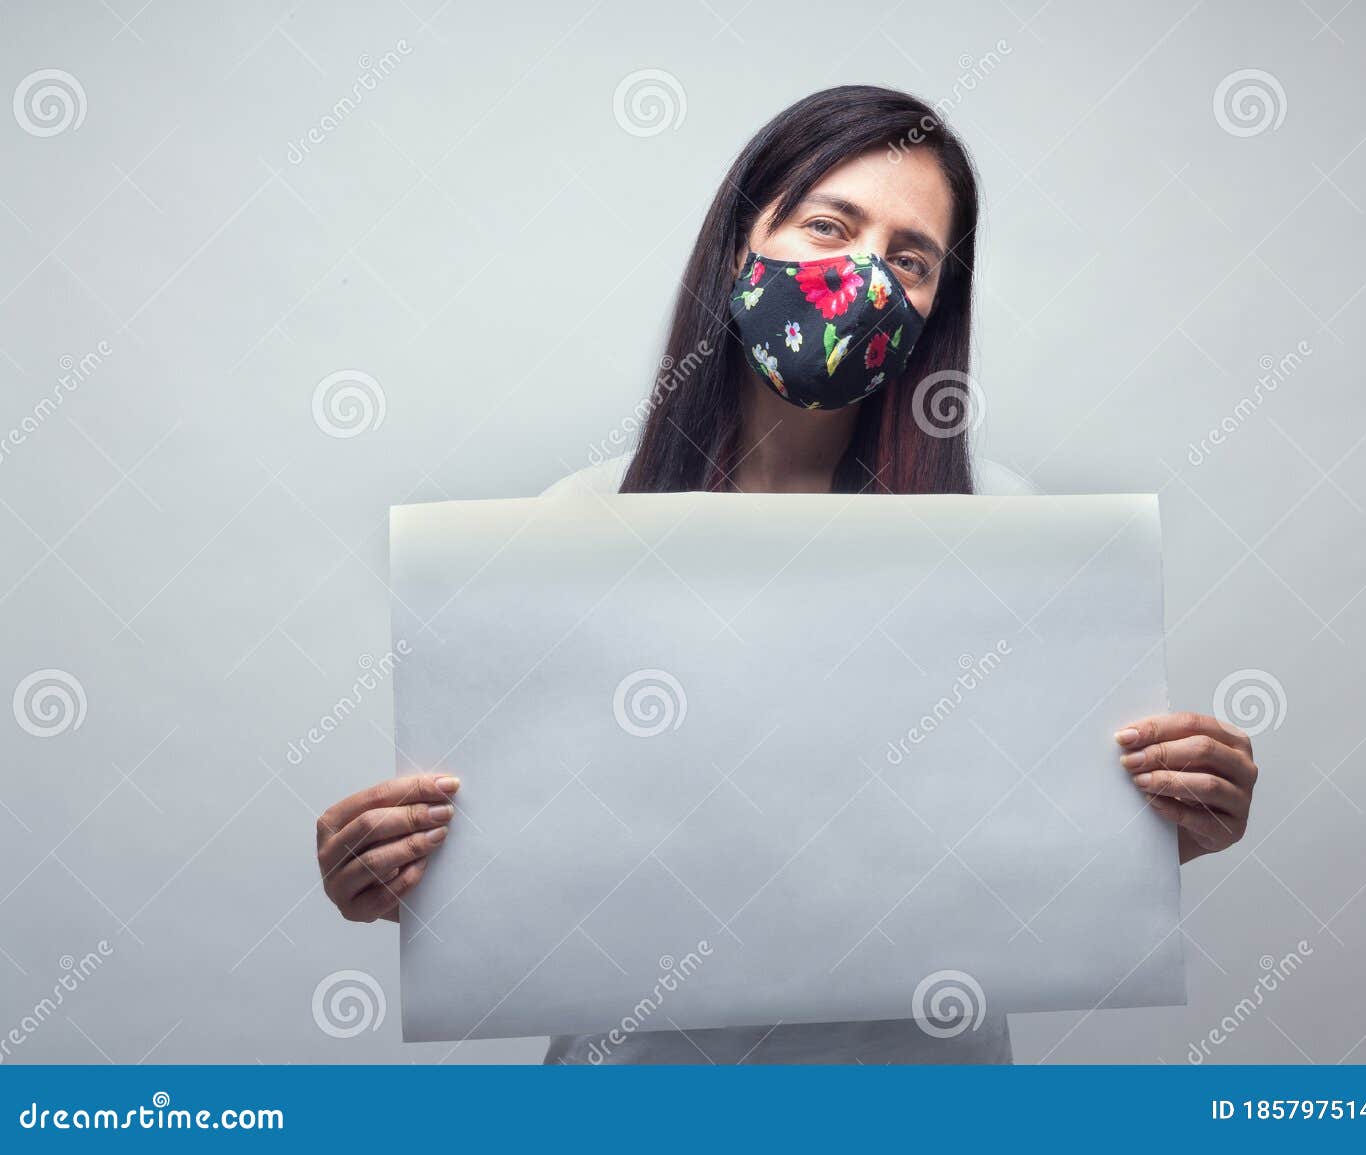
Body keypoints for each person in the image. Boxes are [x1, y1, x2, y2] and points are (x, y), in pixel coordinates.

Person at [314, 85, 1259, 1063]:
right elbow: (524, 863)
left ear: (937, 307)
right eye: (826, 225)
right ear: (740, 247)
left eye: (909, 258)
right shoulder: (574, 529)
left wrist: (1154, 833)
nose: (863, 276)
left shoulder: (1010, 537)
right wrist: (395, 876)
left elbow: (1040, 854)